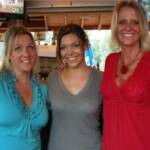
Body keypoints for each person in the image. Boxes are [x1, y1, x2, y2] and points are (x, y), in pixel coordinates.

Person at [101, 1, 150, 150]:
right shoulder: (110, 60)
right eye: (122, 22)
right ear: (116, 28)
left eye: (134, 22)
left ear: (141, 28)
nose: (128, 27)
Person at [47, 23, 103, 150]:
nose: (69, 52)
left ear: (85, 45)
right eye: (63, 47)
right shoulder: (52, 79)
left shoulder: (101, 79)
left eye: (75, 45)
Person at [0, 25, 48, 150]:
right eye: (18, 48)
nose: (26, 53)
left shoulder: (43, 89)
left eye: (30, 47)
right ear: (8, 54)